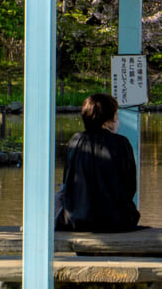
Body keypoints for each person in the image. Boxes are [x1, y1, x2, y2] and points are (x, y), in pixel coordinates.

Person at [55, 93, 140, 232]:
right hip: (116, 220)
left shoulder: (76, 141)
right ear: (108, 120)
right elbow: (129, 186)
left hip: (76, 219)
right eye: (116, 115)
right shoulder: (121, 143)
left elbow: (68, 182)